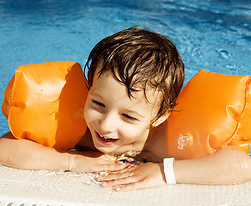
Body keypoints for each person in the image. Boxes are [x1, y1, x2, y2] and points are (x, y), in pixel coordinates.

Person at [0, 27, 250, 192]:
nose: (105, 125)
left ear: (160, 116)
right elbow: (5, 147)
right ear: (88, 89)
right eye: (98, 104)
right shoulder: (83, 132)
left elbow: (240, 165)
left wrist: (165, 172)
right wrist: (70, 160)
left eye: (128, 116)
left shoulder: (168, 141)